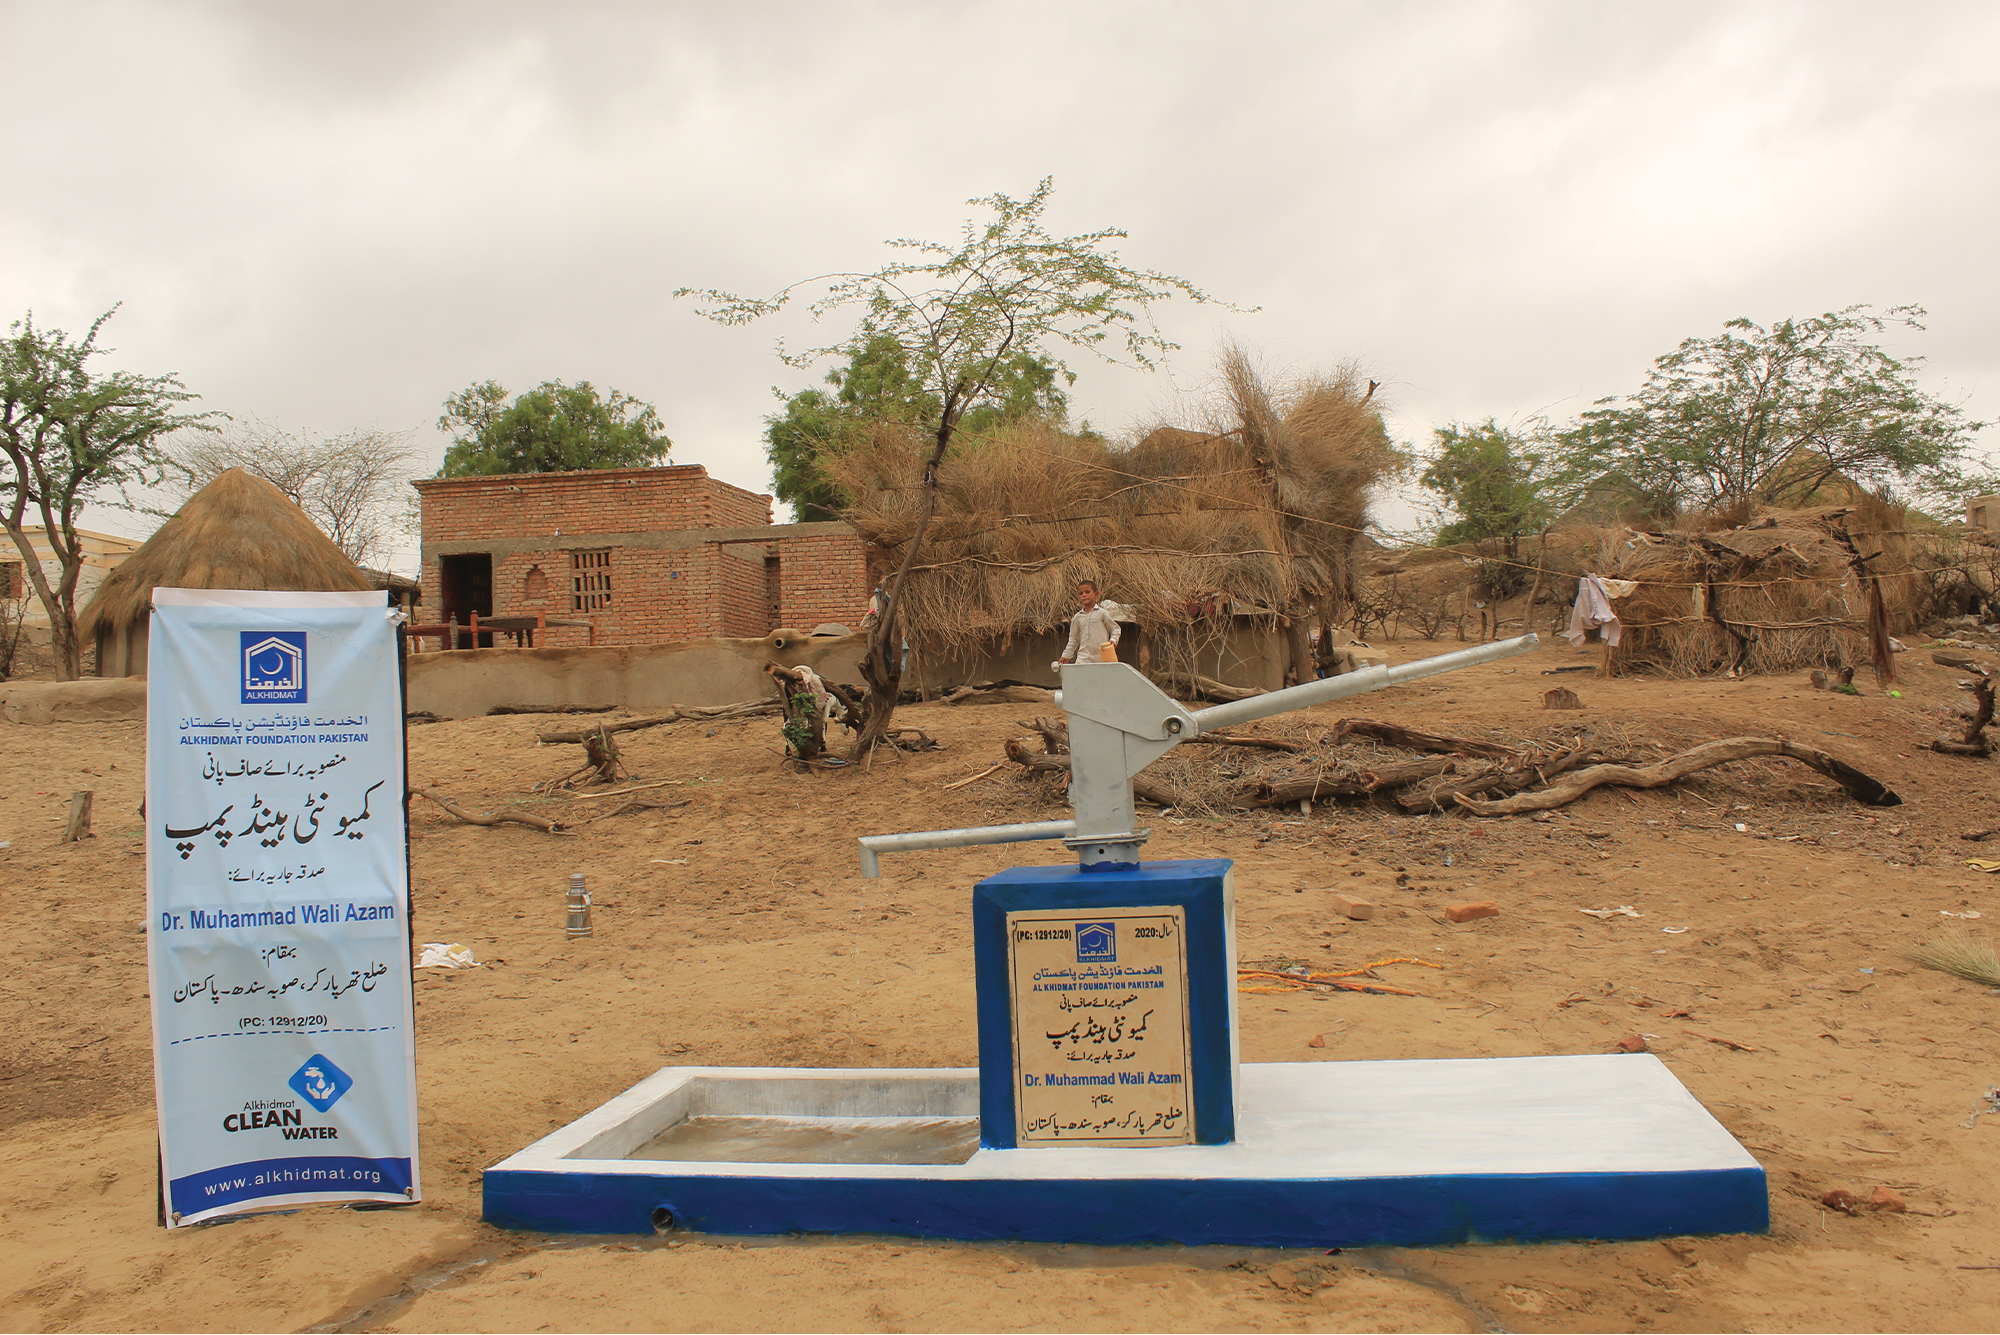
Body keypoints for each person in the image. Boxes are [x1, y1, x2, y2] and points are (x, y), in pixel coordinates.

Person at [1052, 580, 1120, 671]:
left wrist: (1113, 640)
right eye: (1081, 593)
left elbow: (1115, 629)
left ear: (1096, 594)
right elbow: (1074, 639)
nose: (1084, 595)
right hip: (1083, 657)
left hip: (1102, 656)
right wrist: (1066, 655)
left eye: (1087, 592)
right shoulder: (1077, 617)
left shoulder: (1102, 613)